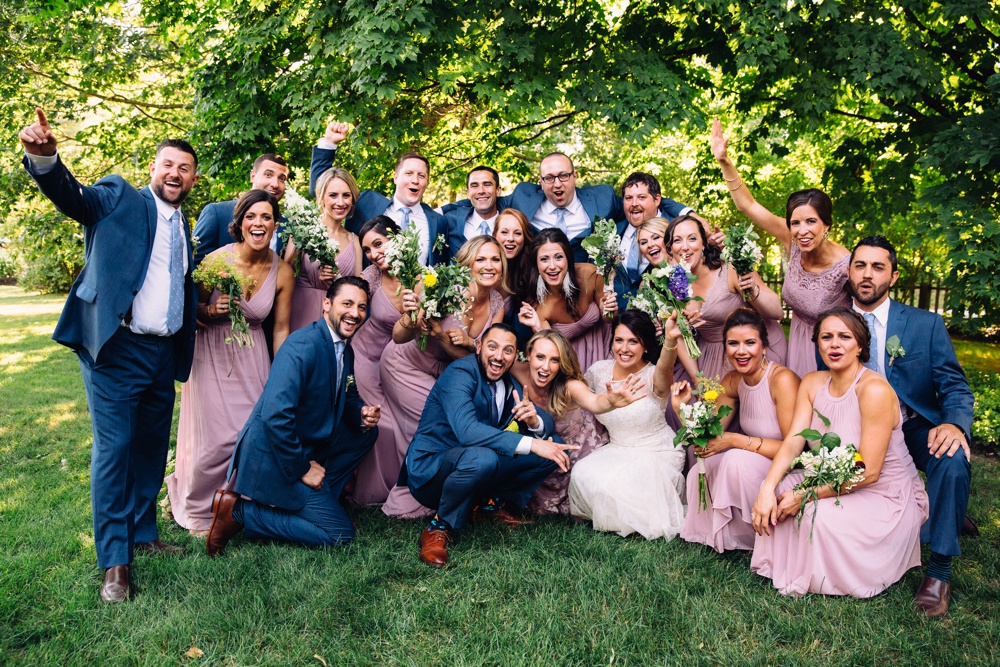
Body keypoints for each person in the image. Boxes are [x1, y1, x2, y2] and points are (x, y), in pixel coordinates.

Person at [20, 108, 199, 602]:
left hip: (162, 355)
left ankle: (144, 533)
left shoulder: (185, 227)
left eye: (184, 168)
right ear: (153, 168)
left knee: (148, 450)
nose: (174, 174)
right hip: (117, 351)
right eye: (167, 164)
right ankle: (115, 562)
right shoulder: (120, 197)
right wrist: (46, 159)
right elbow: (75, 198)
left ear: (193, 178)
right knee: (114, 452)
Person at [750, 307, 929, 598]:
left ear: (860, 345)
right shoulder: (811, 382)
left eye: (844, 337)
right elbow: (794, 441)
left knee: (811, 512)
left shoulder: (873, 391)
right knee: (780, 490)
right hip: (832, 478)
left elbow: (869, 472)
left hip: (884, 493)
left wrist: (806, 494)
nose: (834, 344)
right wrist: (767, 488)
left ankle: (822, 574)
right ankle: (785, 563)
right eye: (826, 337)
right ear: (817, 344)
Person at [205, 276, 381, 555]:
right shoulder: (303, 346)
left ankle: (322, 505)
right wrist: (302, 469)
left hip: (310, 442)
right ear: (326, 304)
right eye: (347, 304)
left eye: (361, 307)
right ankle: (238, 512)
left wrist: (361, 413)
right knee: (340, 534)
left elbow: (347, 395)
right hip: (274, 455)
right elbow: (276, 416)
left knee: (367, 432)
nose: (355, 313)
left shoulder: (344, 350)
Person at [846, 235, 975, 616]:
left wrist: (953, 424)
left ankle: (938, 572)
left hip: (915, 425)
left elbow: (954, 384)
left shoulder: (925, 324)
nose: (867, 275)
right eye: (860, 265)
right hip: (858, 429)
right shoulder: (834, 325)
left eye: (878, 266)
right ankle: (943, 509)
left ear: (894, 275)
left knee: (951, 459)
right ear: (850, 272)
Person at [166, 190, 295, 534]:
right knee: (214, 438)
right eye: (251, 216)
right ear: (239, 224)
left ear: (275, 225)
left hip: (253, 354)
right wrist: (210, 309)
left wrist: (281, 377)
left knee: (249, 432)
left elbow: (280, 328)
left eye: (266, 217)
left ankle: (237, 505)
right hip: (211, 352)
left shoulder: (283, 271)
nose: (259, 223)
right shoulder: (216, 261)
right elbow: (188, 309)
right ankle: (199, 507)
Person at [404, 323, 569, 567]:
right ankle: (438, 526)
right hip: (432, 471)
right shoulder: (461, 373)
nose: (499, 356)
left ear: (515, 356)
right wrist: (531, 444)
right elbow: (467, 431)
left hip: (476, 463)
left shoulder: (508, 381)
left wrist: (533, 420)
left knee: (554, 446)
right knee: (486, 458)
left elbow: (545, 423)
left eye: (508, 350)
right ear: (479, 347)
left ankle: (488, 506)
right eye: (493, 347)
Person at [380, 235, 509, 518]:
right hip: (406, 364)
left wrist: (469, 344)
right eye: (481, 259)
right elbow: (399, 337)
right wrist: (413, 318)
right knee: (435, 428)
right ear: (468, 263)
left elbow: (481, 362)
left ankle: (452, 493)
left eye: (495, 259)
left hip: (448, 371)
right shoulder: (445, 287)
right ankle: (415, 494)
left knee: (455, 426)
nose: (489, 266)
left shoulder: (498, 303)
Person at [711, 119, 850, 377]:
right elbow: (749, 206)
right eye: (795, 223)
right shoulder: (793, 241)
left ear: (826, 225)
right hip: (795, 342)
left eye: (811, 222)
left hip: (828, 351)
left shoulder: (846, 265)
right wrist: (724, 161)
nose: (802, 230)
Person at [672, 308, 800, 552]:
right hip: (754, 458)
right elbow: (707, 437)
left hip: (784, 466)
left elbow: (793, 449)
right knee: (703, 469)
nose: (741, 351)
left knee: (734, 460)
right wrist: (682, 409)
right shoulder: (733, 380)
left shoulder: (781, 380)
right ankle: (721, 535)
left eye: (750, 343)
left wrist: (734, 440)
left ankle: (760, 537)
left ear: (763, 347)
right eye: (733, 344)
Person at [444, 155, 695, 263]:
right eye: (550, 178)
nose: (557, 184)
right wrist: (436, 214)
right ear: (540, 182)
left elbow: (642, 202)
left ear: (575, 176)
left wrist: (688, 214)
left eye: (563, 176)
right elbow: (484, 198)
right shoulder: (523, 197)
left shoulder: (603, 198)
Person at [568, 310, 687, 540]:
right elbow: (576, 392)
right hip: (617, 449)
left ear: (645, 346)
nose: (624, 348)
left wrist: (671, 340)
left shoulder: (654, 375)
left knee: (617, 484)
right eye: (619, 340)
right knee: (582, 474)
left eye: (634, 341)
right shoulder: (598, 370)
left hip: (655, 452)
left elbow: (665, 367)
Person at [513, 330, 646, 515]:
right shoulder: (517, 370)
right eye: (540, 357)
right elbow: (490, 359)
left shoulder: (569, 386)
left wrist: (611, 402)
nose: (545, 367)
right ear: (528, 356)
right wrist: (468, 342)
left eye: (554, 360)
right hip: (547, 454)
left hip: (581, 454)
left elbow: (594, 402)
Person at [666, 214, 787, 379]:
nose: (685, 247)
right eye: (677, 240)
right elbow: (678, 337)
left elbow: (777, 311)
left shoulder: (730, 268)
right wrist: (698, 380)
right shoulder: (672, 285)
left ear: (703, 244)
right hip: (711, 359)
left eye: (692, 238)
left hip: (754, 349)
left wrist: (753, 291)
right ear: (671, 248)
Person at [309, 121, 447, 264]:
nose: (415, 180)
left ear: (427, 181)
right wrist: (329, 143)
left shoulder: (438, 222)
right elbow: (320, 188)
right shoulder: (367, 203)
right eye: (409, 173)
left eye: (421, 176)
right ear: (396, 178)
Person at [351, 216, 407, 505]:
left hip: (401, 363)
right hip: (366, 357)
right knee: (381, 421)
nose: (374, 254)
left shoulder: (420, 276)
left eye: (378, 244)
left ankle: (403, 484)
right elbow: (348, 304)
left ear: (396, 239)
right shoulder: (371, 276)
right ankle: (373, 490)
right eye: (368, 249)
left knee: (402, 420)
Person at [516, 228, 618, 371]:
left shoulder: (590, 274)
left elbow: (609, 320)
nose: (552, 266)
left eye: (558, 257)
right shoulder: (538, 305)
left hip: (606, 349)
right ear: (536, 265)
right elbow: (551, 351)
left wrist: (609, 310)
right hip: (570, 363)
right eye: (544, 259)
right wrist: (537, 327)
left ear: (568, 258)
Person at [286, 167, 363, 332]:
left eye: (346, 195)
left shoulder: (354, 241)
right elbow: (285, 273)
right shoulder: (303, 230)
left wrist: (337, 282)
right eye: (333, 195)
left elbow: (357, 291)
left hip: (337, 320)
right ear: (321, 198)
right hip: (302, 314)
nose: (340, 202)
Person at [193, 153, 290, 264]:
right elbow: (196, 264)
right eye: (268, 175)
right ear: (253, 176)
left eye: (282, 179)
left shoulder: (287, 226)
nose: (275, 184)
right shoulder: (217, 213)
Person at [443, 165, 501, 259]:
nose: (481, 191)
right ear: (468, 193)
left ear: (498, 190)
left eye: (487, 185)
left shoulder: (509, 226)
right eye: (474, 186)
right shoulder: (451, 221)